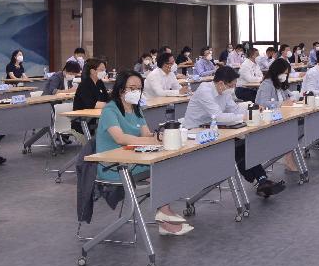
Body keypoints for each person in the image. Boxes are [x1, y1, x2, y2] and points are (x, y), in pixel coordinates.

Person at [97, 73, 192, 236]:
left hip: (134, 160)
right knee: (162, 169)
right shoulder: (110, 110)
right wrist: (152, 141)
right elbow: (120, 138)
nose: (136, 92)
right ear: (120, 89)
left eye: (139, 89)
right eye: (132, 88)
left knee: (168, 165)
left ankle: (164, 216)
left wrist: (158, 136)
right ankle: (164, 214)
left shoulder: (136, 109)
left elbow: (146, 134)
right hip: (114, 166)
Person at [183, 66, 286, 197]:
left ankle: (262, 181)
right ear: (221, 83)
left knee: (242, 145)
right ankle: (261, 181)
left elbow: (234, 109)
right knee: (236, 148)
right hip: (195, 133)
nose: (233, 88)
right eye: (231, 85)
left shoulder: (224, 91)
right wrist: (243, 117)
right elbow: (218, 116)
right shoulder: (205, 91)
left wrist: (252, 111)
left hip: (213, 128)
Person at [255, 58, 300, 173]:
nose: (285, 76)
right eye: (283, 73)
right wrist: (282, 103)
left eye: (286, 74)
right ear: (276, 71)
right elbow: (262, 103)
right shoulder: (267, 84)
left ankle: (288, 158)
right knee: (290, 130)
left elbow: (291, 95)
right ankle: (288, 160)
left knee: (294, 127)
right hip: (268, 118)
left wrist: (293, 98)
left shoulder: (279, 83)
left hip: (281, 115)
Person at [72, 58, 110, 134]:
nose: (104, 72)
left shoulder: (99, 83)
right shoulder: (85, 84)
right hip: (83, 121)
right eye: (101, 70)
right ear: (92, 71)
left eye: (104, 70)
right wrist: (108, 104)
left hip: (97, 118)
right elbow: (92, 104)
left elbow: (107, 99)